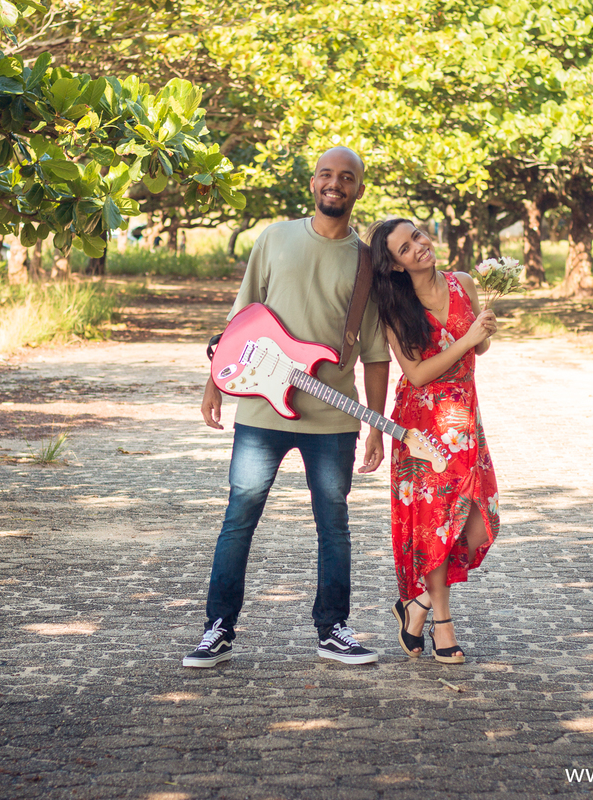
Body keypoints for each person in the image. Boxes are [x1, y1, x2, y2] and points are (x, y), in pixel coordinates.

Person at [183, 147, 391, 668]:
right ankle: (217, 629)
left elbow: (374, 353)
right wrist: (215, 381)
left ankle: (333, 629)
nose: (335, 184)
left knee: (334, 522)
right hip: (260, 410)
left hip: (333, 415)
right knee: (239, 515)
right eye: (326, 174)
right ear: (313, 182)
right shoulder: (274, 238)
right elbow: (242, 317)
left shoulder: (368, 263)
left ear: (359, 190)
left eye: (347, 177)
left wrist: (376, 428)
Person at [368, 218, 500, 664]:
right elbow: (417, 373)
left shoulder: (463, 282)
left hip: (464, 418)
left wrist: (483, 333)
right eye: (406, 248)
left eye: (418, 237)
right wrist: (468, 340)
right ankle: (442, 623)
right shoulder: (394, 308)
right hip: (422, 427)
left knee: (480, 520)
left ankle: (417, 604)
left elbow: (476, 348)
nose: (420, 248)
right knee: (437, 526)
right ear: (397, 266)